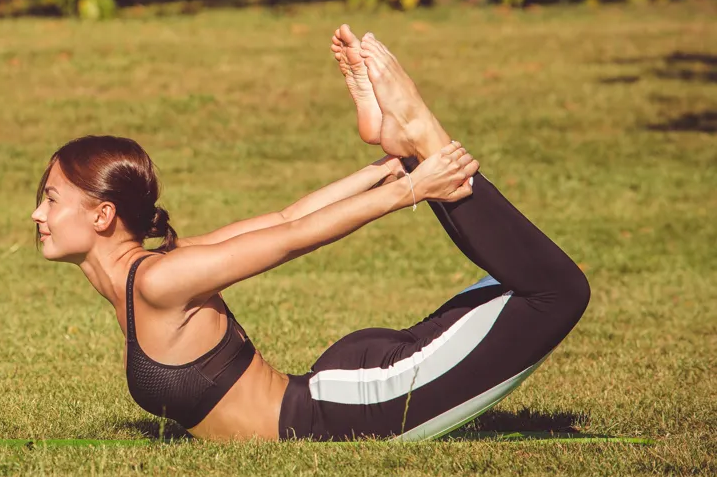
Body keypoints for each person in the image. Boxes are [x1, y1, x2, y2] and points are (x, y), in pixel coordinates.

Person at [30, 26, 590, 441]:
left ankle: (423, 135)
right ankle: (410, 145)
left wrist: (409, 189)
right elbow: (283, 218)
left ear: (102, 216)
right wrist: (381, 172)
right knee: (534, 288)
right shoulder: (155, 271)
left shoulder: (160, 279)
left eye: (51, 199)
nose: (38, 214)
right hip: (339, 393)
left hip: (361, 408)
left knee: (556, 292)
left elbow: (293, 237)